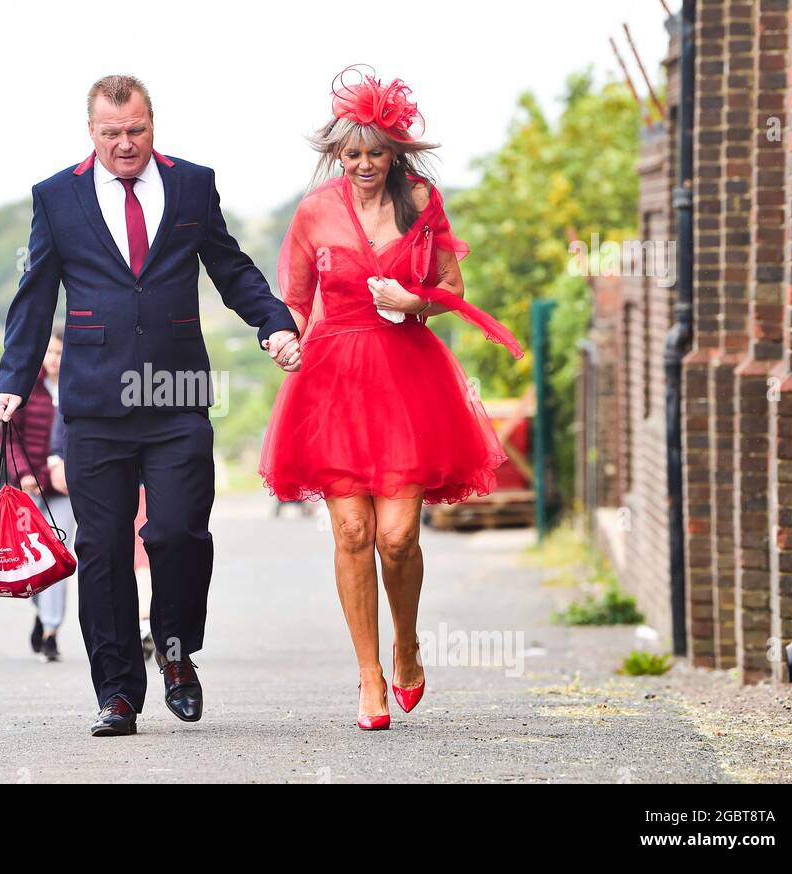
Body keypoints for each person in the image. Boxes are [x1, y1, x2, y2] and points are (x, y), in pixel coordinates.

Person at [0, 74, 301, 737]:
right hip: (95, 403)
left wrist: (271, 322)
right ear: (91, 133)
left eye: (136, 131)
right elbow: (35, 290)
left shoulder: (192, 183)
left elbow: (230, 266)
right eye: (111, 134)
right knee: (102, 549)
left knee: (178, 532)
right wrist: (15, 377)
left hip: (178, 392)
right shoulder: (57, 196)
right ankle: (117, 695)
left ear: (152, 125)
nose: (125, 145)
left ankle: (177, 651)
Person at [258, 67, 524, 730]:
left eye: (377, 152)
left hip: (407, 377)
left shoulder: (423, 200)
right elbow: (293, 301)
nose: (365, 164)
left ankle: (407, 645)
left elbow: (452, 285)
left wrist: (417, 302)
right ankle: (369, 677)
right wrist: (282, 340)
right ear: (336, 154)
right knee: (352, 529)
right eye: (352, 154)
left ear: (395, 152)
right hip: (333, 381)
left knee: (399, 536)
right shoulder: (314, 210)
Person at [1, 326, 74, 663]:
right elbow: (9, 436)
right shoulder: (27, 387)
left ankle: (51, 631)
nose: (56, 360)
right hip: (28, 487)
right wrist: (24, 473)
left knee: (56, 555)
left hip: (65, 489)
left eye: (61, 353)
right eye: (51, 353)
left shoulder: (81, 385)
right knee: (30, 560)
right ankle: (40, 608)